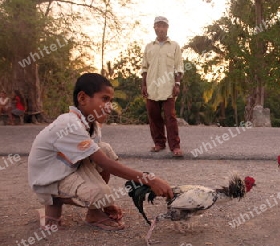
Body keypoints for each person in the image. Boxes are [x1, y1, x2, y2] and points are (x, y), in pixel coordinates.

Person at [28, 73, 174, 231]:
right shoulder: (69, 124)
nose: (109, 106)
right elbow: (104, 163)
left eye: (111, 101)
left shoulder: (92, 125)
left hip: (65, 169)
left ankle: (93, 213)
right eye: (104, 99)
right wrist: (149, 180)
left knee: (105, 149)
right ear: (82, 98)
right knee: (100, 194)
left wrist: (107, 203)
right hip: (47, 180)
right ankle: (52, 209)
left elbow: (100, 158)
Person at [141, 16, 184, 157]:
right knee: (153, 116)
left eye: (163, 26)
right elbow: (144, 68)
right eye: (158, 26)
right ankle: (159, 143)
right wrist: (144, 85)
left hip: (168, 87)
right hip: (152, 87)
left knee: (170, 117)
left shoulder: (174, 46)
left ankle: (175, 146)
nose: (161, 29)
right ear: (154, 28)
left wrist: (177, 84)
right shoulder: (149, 47)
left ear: (167, 28)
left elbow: (179, 67)